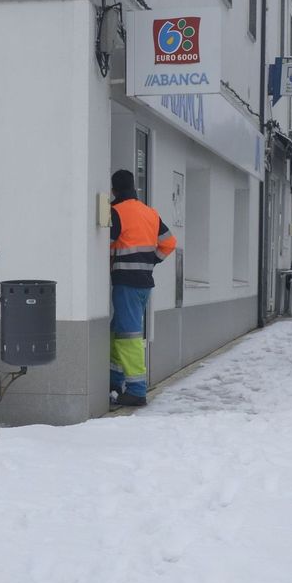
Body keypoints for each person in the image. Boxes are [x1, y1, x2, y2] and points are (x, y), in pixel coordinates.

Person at [109, 168, 177, 407]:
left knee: (128, 336)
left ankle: (137, 390)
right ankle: (114, 380)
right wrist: (150, 261)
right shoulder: (150, 212)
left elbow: (104, 245)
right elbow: (169, 243)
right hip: (144, 283)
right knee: (119, 331)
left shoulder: (116, 212)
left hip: (125, 283)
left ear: (114, 190)